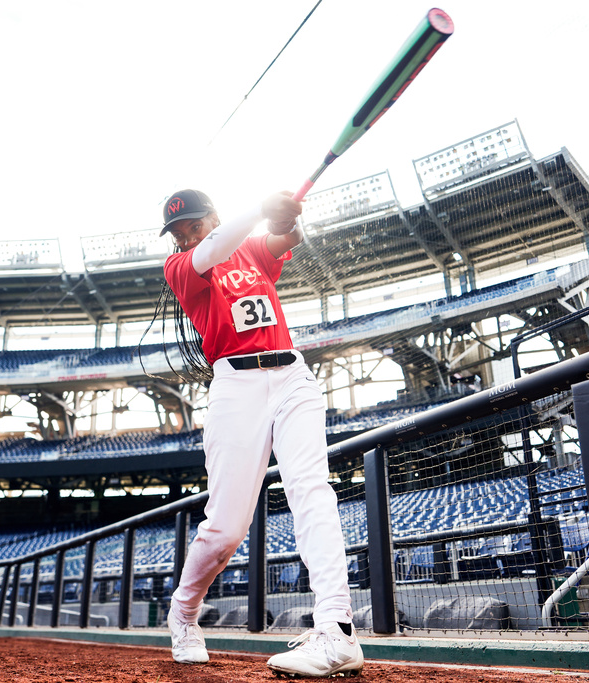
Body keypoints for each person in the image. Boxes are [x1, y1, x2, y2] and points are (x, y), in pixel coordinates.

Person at [156, 188, 363, 678]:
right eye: (179, 232)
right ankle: (184, 611)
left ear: (214, 217)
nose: (187, 235)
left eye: (194, 223)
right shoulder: (182, 268)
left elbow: (282, 237)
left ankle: (337, 629)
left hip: (292, 375)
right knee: (226, 528)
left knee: (312, 489)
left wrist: (288, 217)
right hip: (235, 384)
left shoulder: (248, 248)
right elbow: (213, 249)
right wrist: (259, 209)